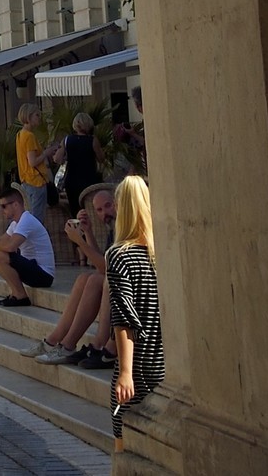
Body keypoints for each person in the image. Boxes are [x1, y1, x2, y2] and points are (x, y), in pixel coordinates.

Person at [107, 175, 164, 442]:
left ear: (121, 208)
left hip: (139, 364)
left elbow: (124, 318)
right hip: (165, 361)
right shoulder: (162, 252)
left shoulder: (119, 255)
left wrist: (126, 373)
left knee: (124, 439)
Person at [35, 187, 116, 366]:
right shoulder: (113, 229)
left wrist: (79, 241)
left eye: (108, 206)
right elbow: (102, 263)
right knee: (83, 279)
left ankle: (72, 344)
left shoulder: (123, 226)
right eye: (99, 210)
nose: (105, 213)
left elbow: (106, 268)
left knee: (97, 279)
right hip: (115, 278)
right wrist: (87, 232)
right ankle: (55, 341)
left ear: (117, 204)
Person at [0, 185, 56, 306]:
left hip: (44, 274)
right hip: (32, 267)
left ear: (16, 205)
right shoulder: (15, 223)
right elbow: (1, 241)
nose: (2, 210)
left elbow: (10, 247)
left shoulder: (26, 220)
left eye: (4, 206)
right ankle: (15, 293)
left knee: (0, 256)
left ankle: (20, 296)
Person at [61, 111, 102, 212]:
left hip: (72, 180)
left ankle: (77, 227)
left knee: (75, 211)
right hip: (89, 180)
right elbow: (101, 158)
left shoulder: (67, 140)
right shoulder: (92, 140)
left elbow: (57, 159)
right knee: (90, 210)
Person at [16, 104, 50, 219]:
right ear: (29, 117)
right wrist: (46, 153)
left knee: (31, 216)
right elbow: (32, 162)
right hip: (36, 181)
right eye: (36, 115)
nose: (39, 118)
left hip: (26, 180)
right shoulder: (29, 136)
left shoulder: (20, 135)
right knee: (37, 218)